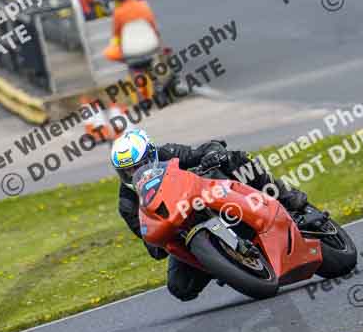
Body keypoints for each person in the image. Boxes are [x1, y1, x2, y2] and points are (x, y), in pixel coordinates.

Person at [110, 129, 316, 302]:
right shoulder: (128, 204)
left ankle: (287, 198)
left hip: (208, 196)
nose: (135, 173)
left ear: (152, 155)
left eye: (139, 166)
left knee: (235, 159)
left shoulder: (168, 153)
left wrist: (213, 154)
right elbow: (153, 247)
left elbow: (204, 149)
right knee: (180, 287)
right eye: (128, 171)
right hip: (182, 230)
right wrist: (159, 238)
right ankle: (223, 261)